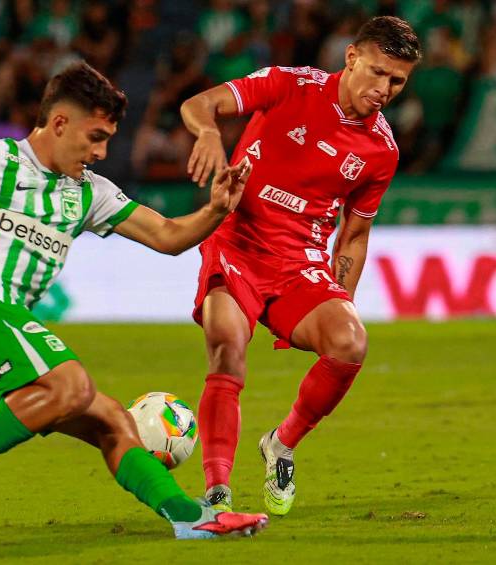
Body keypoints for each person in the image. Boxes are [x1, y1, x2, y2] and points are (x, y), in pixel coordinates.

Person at [0, 60, 265, 543]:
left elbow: (169, 237)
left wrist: (215, 210)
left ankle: (189, 518)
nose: (102, 151)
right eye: (96, 136)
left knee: (111, 419)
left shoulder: (89, 194)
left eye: (108, 139)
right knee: (71, 383)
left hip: (7, 334)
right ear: (60, 123)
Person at [180, 16, 422, 516]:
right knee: (227, 344)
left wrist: (337, 303)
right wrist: (208, 134)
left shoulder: (381, 150)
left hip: (300, 261)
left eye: (396, 81)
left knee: (350, 342)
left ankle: (281, 444)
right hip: (238, 240)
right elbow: (198, 104)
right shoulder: (290, 84)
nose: (384, 89)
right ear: (351, 57)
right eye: (377, 72)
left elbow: (354, 234)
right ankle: (218, 491)